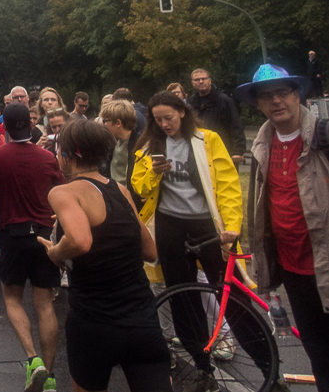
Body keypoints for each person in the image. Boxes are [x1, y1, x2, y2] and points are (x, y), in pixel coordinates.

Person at [131, 91, 272, 392]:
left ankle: (270, 369)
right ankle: (202, 367)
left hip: (208, 227)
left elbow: (229, 185)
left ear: (182, 112)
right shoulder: (150, 146)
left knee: (232, 299)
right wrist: (154, 174)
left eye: (168, 117)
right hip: (170, 226)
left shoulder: (207, 140)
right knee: (183, 299)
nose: (164, 124)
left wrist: (232, 227)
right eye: (158, 120)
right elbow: (139, 186)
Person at [37, 119, 170, 392]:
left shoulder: (63, 192)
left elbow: (80, 241)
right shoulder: (120, 190)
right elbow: (150, 250)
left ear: (68, 153)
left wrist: (55, 251)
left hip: (94, 322)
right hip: (142, 320)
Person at [239, 64, 329, 390]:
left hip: (325, 262)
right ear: (258, 104)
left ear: (297, 94)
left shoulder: (322, 134)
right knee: (317, 351)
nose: (276, 101)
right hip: (293, 268)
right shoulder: (263, 143)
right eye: (266, 96)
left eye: (283, 92)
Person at [0, 103, 65, 392]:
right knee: (44, 305)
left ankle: (33, 359)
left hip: (12, 235)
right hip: (43, 235)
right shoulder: (47, 157)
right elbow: (60, 193)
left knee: (13, 299)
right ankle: (50, 375)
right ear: (30, 123)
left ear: (3, 126)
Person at [186, 68, 246, 164]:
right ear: (193, 83)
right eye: (197, 80)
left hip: (222, 150)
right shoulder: (190, 103)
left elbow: (236, 125)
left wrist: (237, 151)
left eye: (203, 79)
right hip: (199, 152)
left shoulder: (224, 101)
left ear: (209, 81)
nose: (201, 82)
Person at [100, 99, 137, 187]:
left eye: (105, 121)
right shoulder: (112, 143)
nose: (103, 124)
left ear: (118, 123)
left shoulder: (139, 144)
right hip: (114, 193)